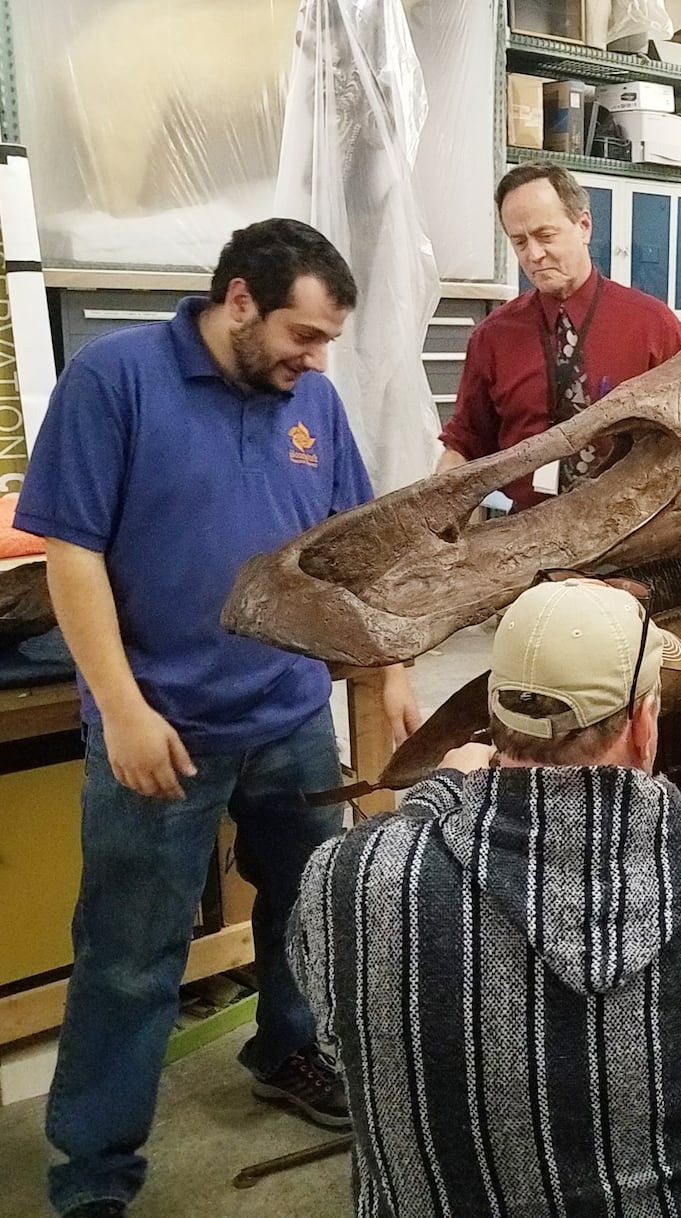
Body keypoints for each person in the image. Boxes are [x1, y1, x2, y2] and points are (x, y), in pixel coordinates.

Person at [15, 217, 420, 1218]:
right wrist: (121, 709)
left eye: (326, 341)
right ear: (239, 299)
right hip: (163, 729)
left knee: (306, 912)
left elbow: (350, 552)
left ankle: (288, 1048)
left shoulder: (312, 404)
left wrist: (389, 666)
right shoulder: (114, 381)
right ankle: (95, 1167)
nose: (315, 359)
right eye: (302, 334)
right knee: (129, 952)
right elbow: (71, 554)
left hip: (288, 717)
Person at [289, 577, 681, 1218]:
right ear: (643, 723)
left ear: (494, 719)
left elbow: (333, 1041)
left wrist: (439, 793)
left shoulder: (348, 881)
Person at [437, 163, 681, 509]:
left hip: (631, 535)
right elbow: (466, 442)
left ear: (583, 225)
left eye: (545, 236)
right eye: (520, 241)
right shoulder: (492, 338)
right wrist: (434, 510)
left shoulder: (653, 326)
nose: (533, 255)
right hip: (525, 536)